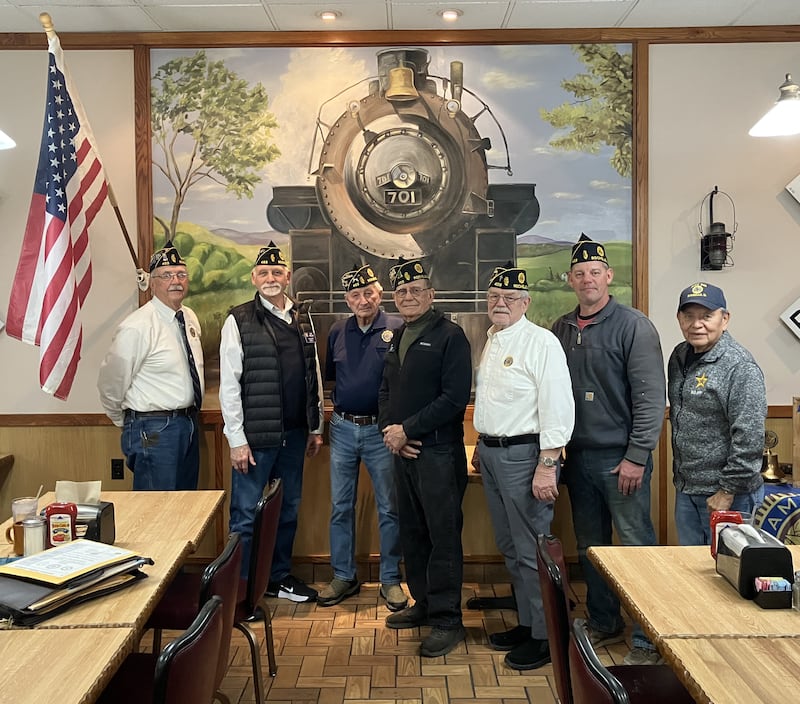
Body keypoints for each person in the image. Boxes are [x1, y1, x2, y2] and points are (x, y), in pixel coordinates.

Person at [552, 234, 666, 666]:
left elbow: (651, 398)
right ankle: (603, 622)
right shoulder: (560, 329)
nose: (587, 280)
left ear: (608, 276)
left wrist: (637, 456)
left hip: (622, 460)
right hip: (577, 459)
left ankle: (646, 638)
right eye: (579, 274)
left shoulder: (634, 326)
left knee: (636, 548)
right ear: (570, 280)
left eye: (595, 272)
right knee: (591, 548)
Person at [471, 264, 574, 670]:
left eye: (510, 298)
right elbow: (496, 400)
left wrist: (548, 464)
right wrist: (481, 443)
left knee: (533, 552)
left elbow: (558, 407)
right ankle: (530, 622)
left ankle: (548, 636)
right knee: (512, 548)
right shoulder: (494, 338)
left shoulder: (541, 343)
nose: (500, 303)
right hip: (493, 455)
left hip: (526, 458)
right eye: (494, 297)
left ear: (526, 302)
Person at [219, 241, 323, 602]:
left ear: (288, 276)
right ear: (254, 278)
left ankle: (278, 578)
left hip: (294, 436)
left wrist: (315, 427)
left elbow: (313, 373)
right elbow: (229, 384)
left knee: (288, 509)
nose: (271, 278)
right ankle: (242, 588)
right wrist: (236, 440)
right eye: (263, 272)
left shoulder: (300, 317)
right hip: (255, 439)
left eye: (277, 272)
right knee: (245, 515)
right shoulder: (239, 319)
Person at [378, 258, 472, 658]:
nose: (408, 296)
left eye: (416, 290)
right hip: (404, 453)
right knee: (413, 533)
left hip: (437, 453)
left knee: (443, 536)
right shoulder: (397, 335)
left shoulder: (450, 336)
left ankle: (448, 620)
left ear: (431, 295)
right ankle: (425, 603)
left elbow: (454, 398)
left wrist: (409, 430)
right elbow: (385, 391)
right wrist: (390, 431)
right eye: (401, 291)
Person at [317, 264, 407, 610]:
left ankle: (390, 580)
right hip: (341, 428)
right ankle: (343, 576)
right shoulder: (338, 331)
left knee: (389, 507)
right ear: (347, 299)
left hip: (380, 432)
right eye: (355, 295)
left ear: (379, 293)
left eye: (368, 292)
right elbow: (331, 379)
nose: (363, 300)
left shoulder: (397, 328)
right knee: (340, 506)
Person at [98, 240, 204, 491]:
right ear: (153, 282)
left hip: (187, 424)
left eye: (181, 274)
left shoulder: (188, 316)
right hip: (154, 429)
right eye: (166, 275)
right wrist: (122, 420)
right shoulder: (137, 326)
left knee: (186, 508)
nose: (176, 281)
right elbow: (111, 381)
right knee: (155, 510)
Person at [668, 282, 766, 545]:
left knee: (728, 577)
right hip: (687, 490)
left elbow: (750, 437)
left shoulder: (740, 367)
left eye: (706, 316)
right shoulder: (679, 356)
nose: (696, 324)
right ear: (679, 319)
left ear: (725, 319)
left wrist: (727, 490)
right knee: (691, 573)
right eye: (688, 316)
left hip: (730, 495)